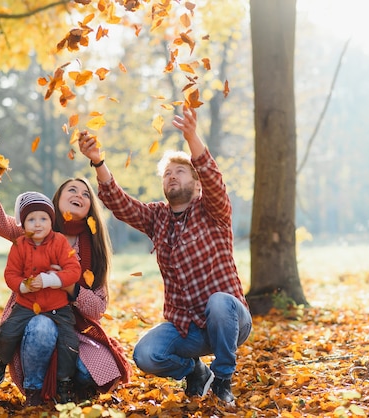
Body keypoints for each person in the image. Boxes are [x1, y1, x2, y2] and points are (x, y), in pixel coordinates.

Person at [78, 106, 253, 404]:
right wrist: (98, 161)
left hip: (229, 321)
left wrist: (191, 137)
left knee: (219, 301)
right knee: (145, 354)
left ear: (196, 185)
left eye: (180, 172)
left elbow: (213, 178)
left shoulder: (214, 211)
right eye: (168, 174)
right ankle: (196, 372)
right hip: (188, 328)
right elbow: (121, 204)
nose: (172, 177)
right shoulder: (158, 218)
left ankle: (222, 378)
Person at [0, 167, 131, 407]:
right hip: (33, 316)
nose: (79, 194)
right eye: (72, 190)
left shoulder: (94, 250)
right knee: (42, 327)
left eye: (86, 194)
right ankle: (34, 392)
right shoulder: (37, 228)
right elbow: (0, 224)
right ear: (57, 199)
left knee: (91, 371)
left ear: (90, 209)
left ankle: (65, 388)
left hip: (73, 325)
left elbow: (98, 308)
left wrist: (71, 289)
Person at [0, 191, 81, 407]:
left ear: (51, 221)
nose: (37, 224)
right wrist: (23, 285)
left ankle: (64, 383)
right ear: (23, 224)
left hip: (58, 307)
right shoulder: (19, 245)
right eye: (31, 219)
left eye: (43, 218)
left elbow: (73, 270)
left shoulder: (59, 242)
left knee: (70, 344)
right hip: (26, 304)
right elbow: (10, 273)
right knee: (7, 331)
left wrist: (50, 280)